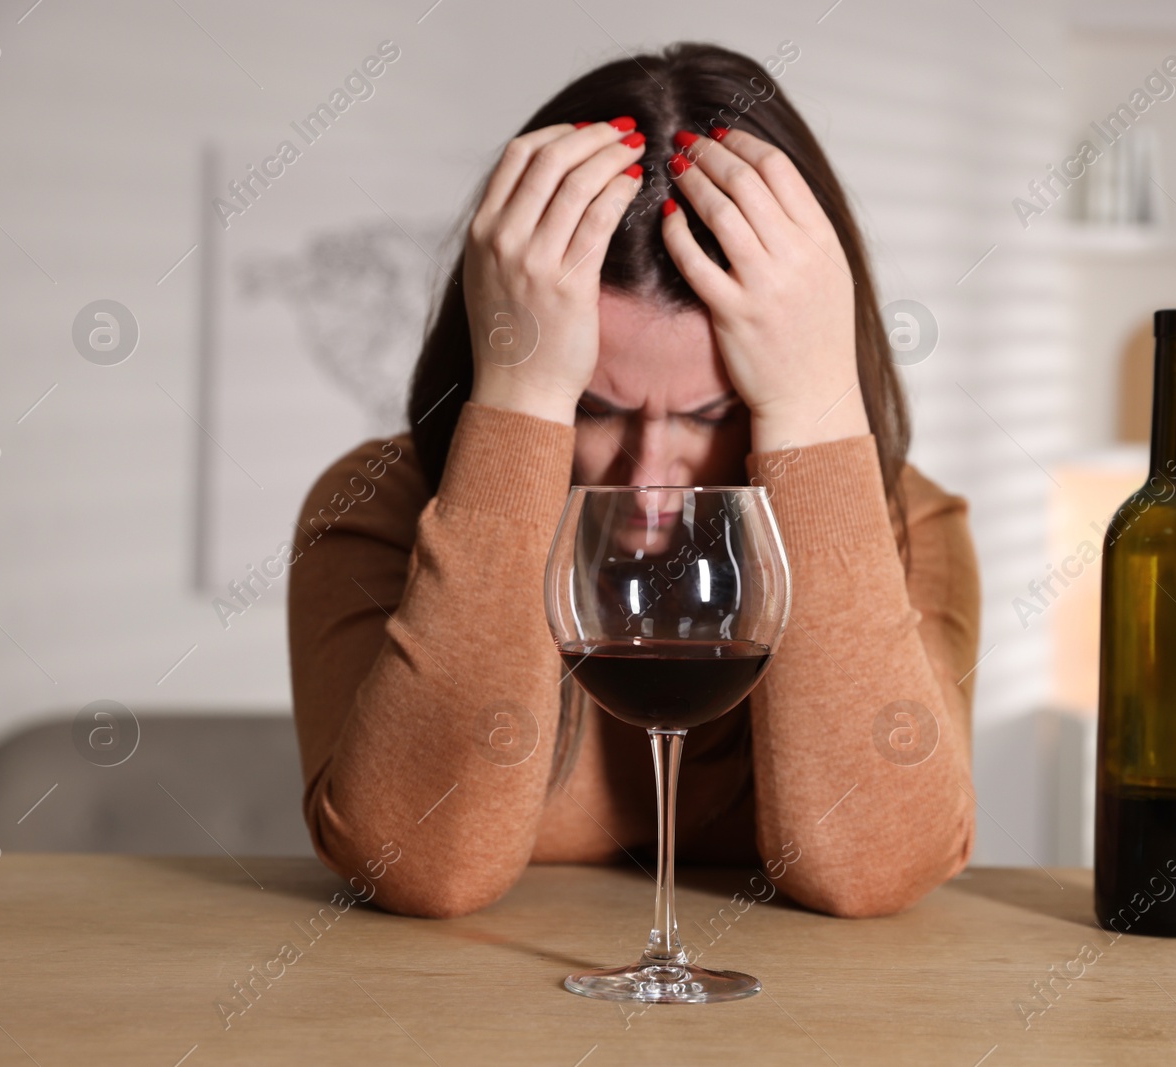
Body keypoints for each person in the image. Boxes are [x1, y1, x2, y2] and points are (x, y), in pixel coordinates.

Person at [287, 41, 980, 920]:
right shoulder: (376, 506)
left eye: (710, 416)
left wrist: (817, 410)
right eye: (594, 407)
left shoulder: (906, 522)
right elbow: (418, 865)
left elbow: (873, 868)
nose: (650, 480)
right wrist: (524, 393)